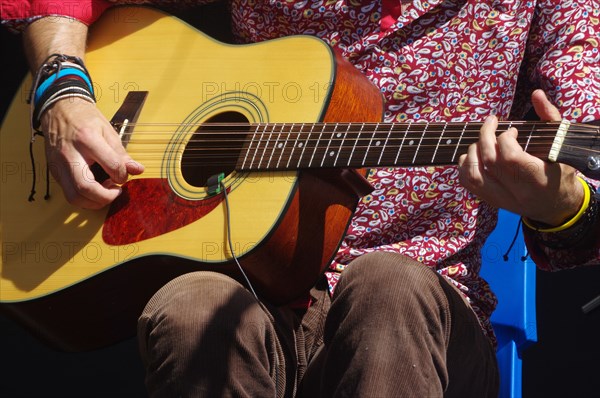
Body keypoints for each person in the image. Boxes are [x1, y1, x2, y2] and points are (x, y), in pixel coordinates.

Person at [2, 0, 599, 396]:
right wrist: (61, 87)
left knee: (388, 288)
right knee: (192, 310)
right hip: (255, 288)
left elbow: (588, 185)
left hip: (427, 322)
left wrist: (562, 204)